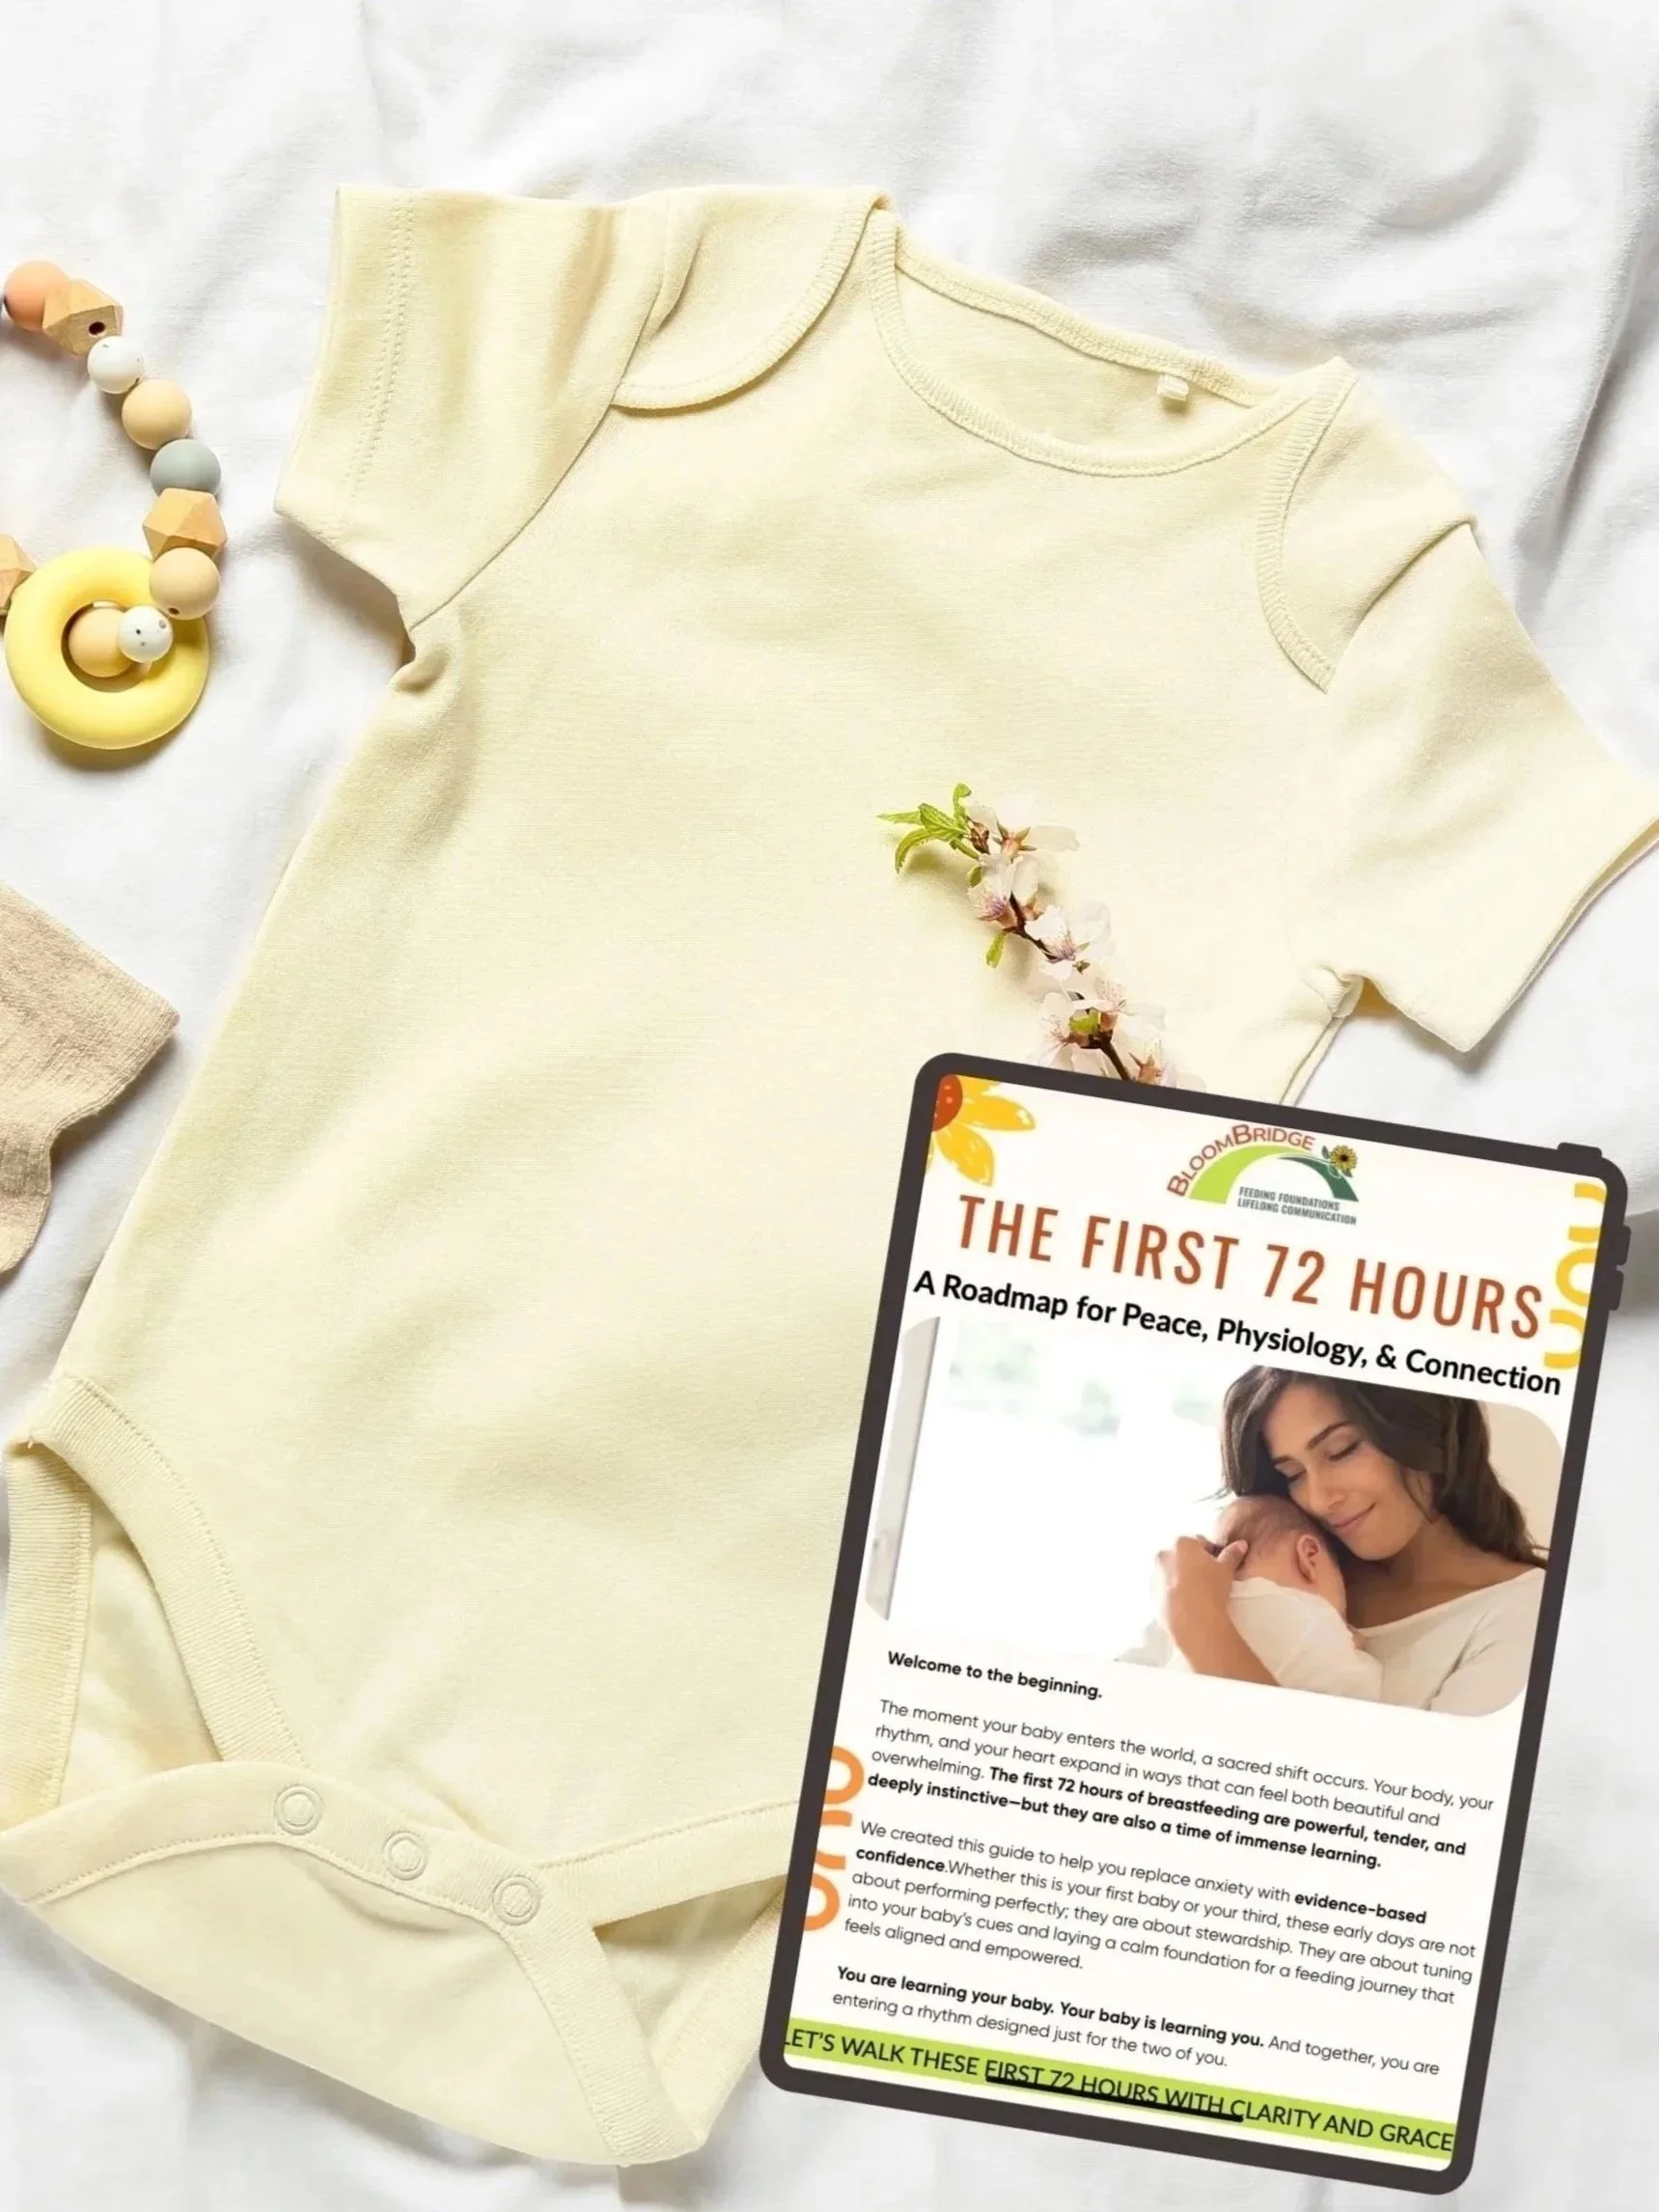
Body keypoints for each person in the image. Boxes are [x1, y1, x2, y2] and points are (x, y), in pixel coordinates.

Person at [1158, 1370, 1546, 1715]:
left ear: (1423, 1430)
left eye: (1341, 1451)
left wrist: (1200, 1628)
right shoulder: (1277, 1571)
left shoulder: (1526, 1617)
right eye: (1293, 1474)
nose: (1319, 1499)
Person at [1160, 1493, 1382, 1700]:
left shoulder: (1185, 1606)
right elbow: (1361, 1690)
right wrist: (1354, 1646)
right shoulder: (1310, 1620)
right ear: (1310, 1556)